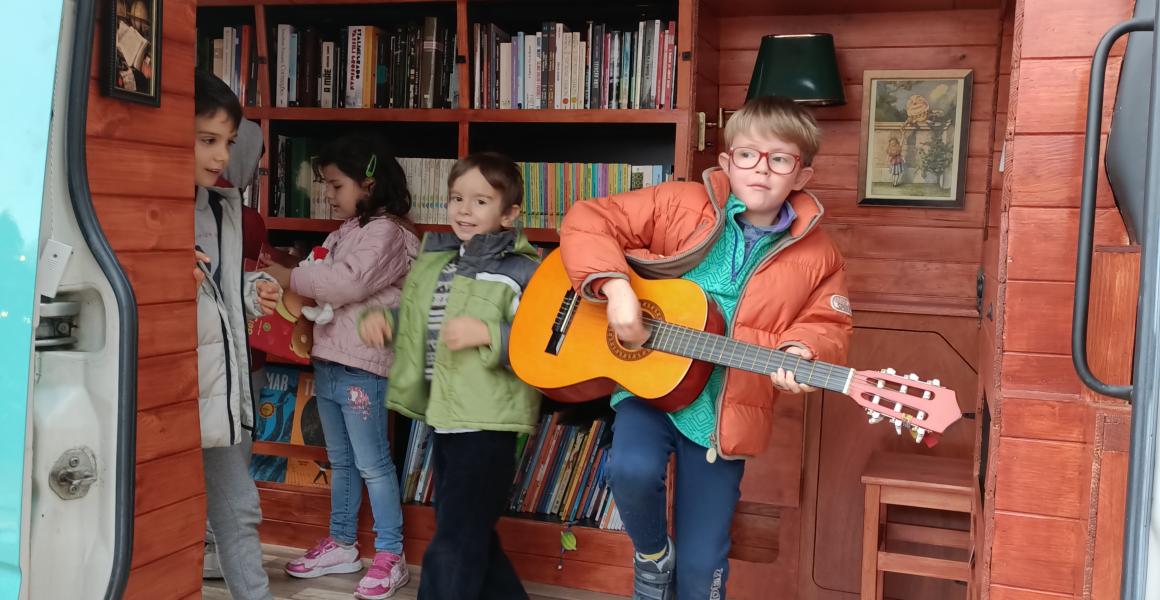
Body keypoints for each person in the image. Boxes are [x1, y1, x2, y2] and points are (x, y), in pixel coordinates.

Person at [558, 95, 854, 599]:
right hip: (648, 385)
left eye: (779, 159)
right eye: (747, 155)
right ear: (726, 162)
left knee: (702, 568)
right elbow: (588, 217)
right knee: (630, 467)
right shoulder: (680, 203)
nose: (761, 169)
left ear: (800, 175)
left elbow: (827, 321)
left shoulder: (820, 253)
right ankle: (652, 556)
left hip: (724, 410)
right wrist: (615, 287)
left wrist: (804, 351)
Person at [359, 152, 540, 600]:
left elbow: (543, 346)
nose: (464, 209)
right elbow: (423, 325)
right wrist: (389, 324)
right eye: (457, 198)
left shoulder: (522, 271)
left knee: (455, 542)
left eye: (480, 201)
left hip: (489, 424)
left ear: (509, 213)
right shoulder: (437, 261)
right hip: (444, 418)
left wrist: (489, 334)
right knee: (468, 531)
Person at [262, 133, 419, 600]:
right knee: (342, 461)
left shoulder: (389, 231)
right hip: (331, 359)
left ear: (368, 184)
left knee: (373, 464)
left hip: (363, 365)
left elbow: (345, 283)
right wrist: (302, 275)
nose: (327, 196)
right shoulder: (349, 230)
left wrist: (291, 276)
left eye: (335, 186)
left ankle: (391, 554)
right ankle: (344, 542)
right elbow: (323, 269)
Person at [192, 70, 279, 600]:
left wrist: (250, 291)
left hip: (218, 391)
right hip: (159, 396)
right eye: (207, 140)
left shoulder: (224, 211)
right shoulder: (127, 210)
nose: (222, 156)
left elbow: (219, 289)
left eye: (227, 142)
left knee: (239, 509)